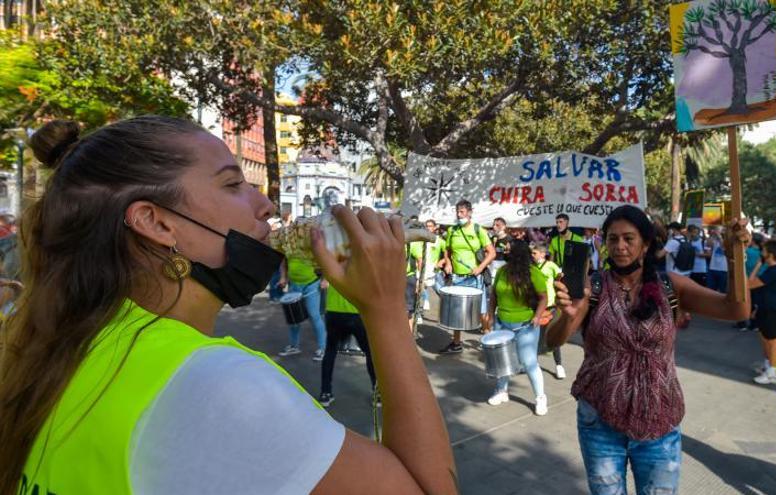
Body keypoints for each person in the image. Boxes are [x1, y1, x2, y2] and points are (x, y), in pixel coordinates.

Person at [0, 117, 456, 494]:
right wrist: (386, 313)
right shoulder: (217, 385)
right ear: (156, 222)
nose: (266, 203)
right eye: (233, 183)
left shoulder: (56, 343)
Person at [546, 205, 750, 495]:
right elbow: (552, 342)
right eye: (612, 239)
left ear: (645, 243)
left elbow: (737, 309)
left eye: (628, 238)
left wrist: (734, 255)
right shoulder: (593, 288)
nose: (620, 247)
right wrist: (569, 314)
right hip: (600, 422)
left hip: (660, 423)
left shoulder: (671, 286)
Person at [487, 240, 549, 415]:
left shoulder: (534, 274)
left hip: (525, 326)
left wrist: (537, 316)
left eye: (508, 251)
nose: (505, 253)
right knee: (502, 360)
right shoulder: (502, 271)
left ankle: (540, 398)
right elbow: (493, 295)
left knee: (529, 363)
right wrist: (491, 316)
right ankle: (501, 391)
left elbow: (543, 297)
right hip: (502, 322)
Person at [439, 199, 496, 354]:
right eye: (457, 212)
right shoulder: (452, 230)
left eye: (462, 212)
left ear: (470, 213)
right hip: (457, 277)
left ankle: (489, 341)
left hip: (474, 278)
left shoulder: (479, 230)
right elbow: (447, 249)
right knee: (458, 311)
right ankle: (456, 343)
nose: (459, 215)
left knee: (482, 310)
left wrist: (480, 267)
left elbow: (492, 253)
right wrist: (448, 263)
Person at [319, 282, 377, 407]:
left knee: (330, 351)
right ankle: (377, 393)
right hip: (355, 312)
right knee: (370, 352)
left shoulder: (333, 261)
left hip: (334, 311)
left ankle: (325, 393)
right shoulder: (360, 262)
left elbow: (321, 277)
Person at [273, 231, 328, 361]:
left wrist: (325, 279)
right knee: (293, 318)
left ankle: (323, 348)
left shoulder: (312, 246)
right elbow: (283, 262)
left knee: (314, 316)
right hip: (294, 285)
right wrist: (283, 277)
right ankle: (294, 346)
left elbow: (325, 260)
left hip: (311, 285)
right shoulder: (289, 246)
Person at [749, 240, 776, 384]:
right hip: (764, 307)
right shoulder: (770, 270)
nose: (761, 252)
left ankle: (772, 372)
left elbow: (750, 284)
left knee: (773, 340)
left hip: (772, 309)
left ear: (769, 254)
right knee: (764, 338)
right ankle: (767, 365)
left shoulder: (774, 271)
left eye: (763, 250)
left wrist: (758, 265)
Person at [531, 242, 566, 379]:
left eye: (534, 253)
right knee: (535, 338)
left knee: (553, 337)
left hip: (550, 306)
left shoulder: (551, 266)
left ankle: (559, 365)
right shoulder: (532, 267)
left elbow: (560, 278)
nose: (532, 255)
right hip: (536, 307)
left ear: (542, 254)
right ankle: (533, 365)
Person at [706, 226, 728, 293]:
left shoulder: (727, 241)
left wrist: (719, 236)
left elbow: (724, 248)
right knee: (710, 290)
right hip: (712, 268)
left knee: (722, 290)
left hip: (723, 270)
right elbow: (708, 244)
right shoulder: (715, 240)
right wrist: (712, 235)